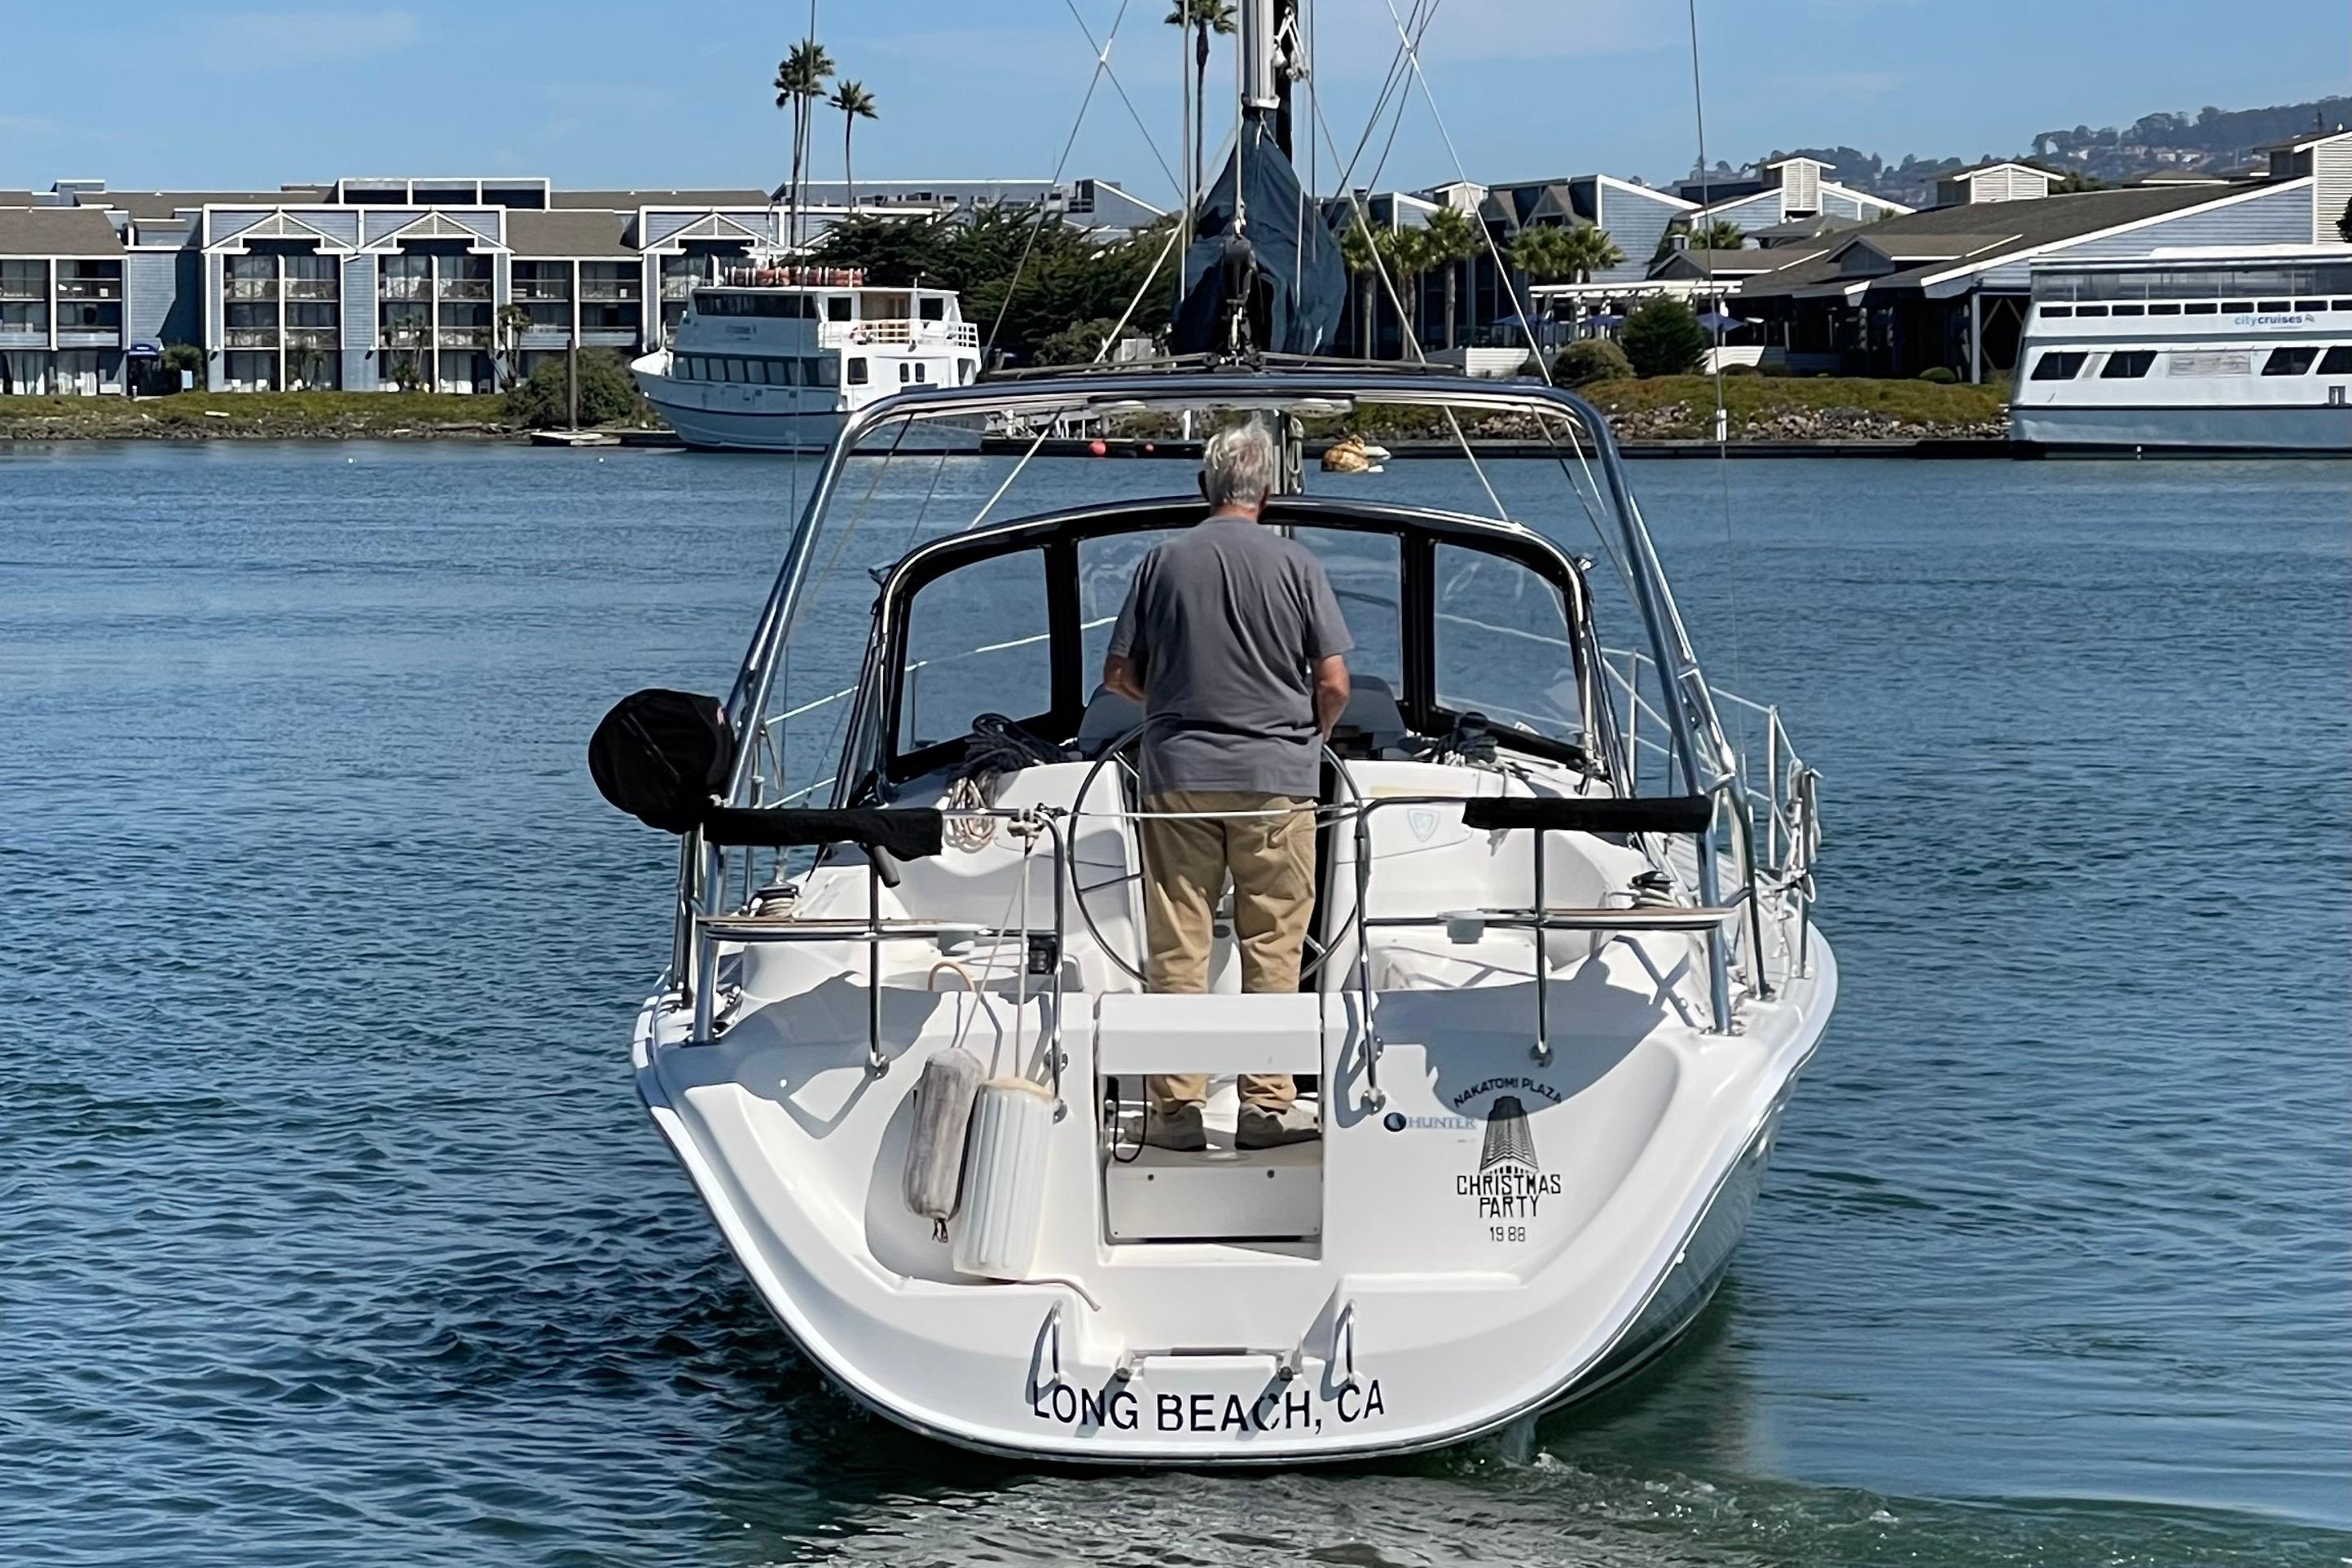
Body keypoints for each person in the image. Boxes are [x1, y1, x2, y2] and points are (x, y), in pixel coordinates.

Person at [1102, 421, 1352, 1151]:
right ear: (1266, 491)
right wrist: (1313, 732)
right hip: (1275, 779)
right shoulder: (1296, 564)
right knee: (1272, 942)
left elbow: (1117, 674)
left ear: (1203, 487)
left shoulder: (1161, 562)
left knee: (1178, 942)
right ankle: (1265, 1107)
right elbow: (1332, 681)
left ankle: (1175, 1113)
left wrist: (1175, 706)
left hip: (1178, 773)